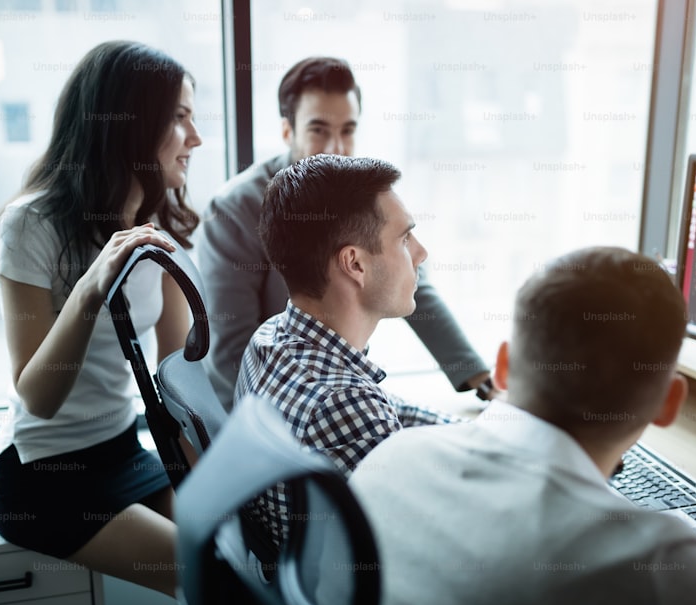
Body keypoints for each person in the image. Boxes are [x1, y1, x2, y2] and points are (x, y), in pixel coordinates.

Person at [349, 247, 696, 605]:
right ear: (668, 403)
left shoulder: (388, 457)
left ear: (505, 366)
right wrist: (692, 588)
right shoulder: (648, 563)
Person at [0, 41, 202, 597]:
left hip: (123, 451)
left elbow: (178, 386)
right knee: (215, 582)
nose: (195, 139)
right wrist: (89, 290)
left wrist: (219, 479)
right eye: (178, 119)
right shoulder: (30, 226)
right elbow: (39, 396)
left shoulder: (159, 234)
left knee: (244, 557)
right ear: (129, 125)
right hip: (42, 478)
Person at [195, 56, 494, 411]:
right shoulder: (233, 209)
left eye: (348, 130)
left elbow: (412, 281)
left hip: (338, 385)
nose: (336, 147)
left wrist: (480, 379)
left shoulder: (357, 197)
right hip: (273, 407)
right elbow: (232, 346)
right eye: (319, 129)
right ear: (287, 131)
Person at [235, 153, 457, 546]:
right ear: (354, 263)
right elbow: (439, 537)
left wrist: (477, 436)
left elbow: (390, 409)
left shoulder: (271, 339)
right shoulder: (342, 403)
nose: (421, 254)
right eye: (405, 239)